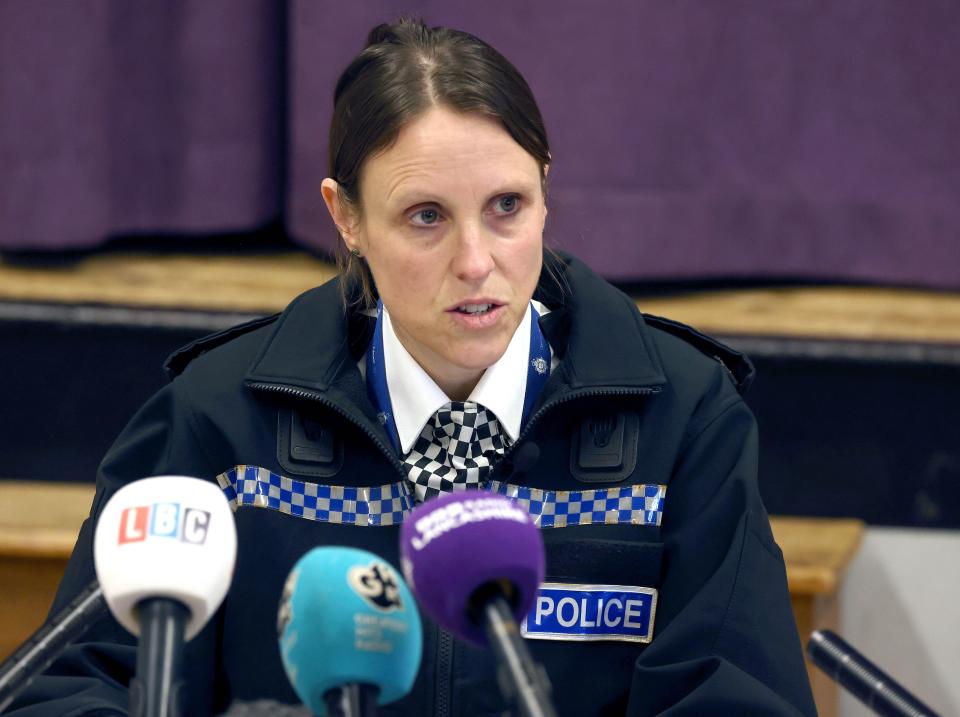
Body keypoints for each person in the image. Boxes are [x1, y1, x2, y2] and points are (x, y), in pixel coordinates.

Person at [8, 18, 817, 717]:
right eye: (426, 216)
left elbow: (738, 693)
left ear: (545, 189)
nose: (476, 263)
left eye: (507, 208)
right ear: (346, 217)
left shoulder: (681, 417)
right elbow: (76, 684)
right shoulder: (218, 419)